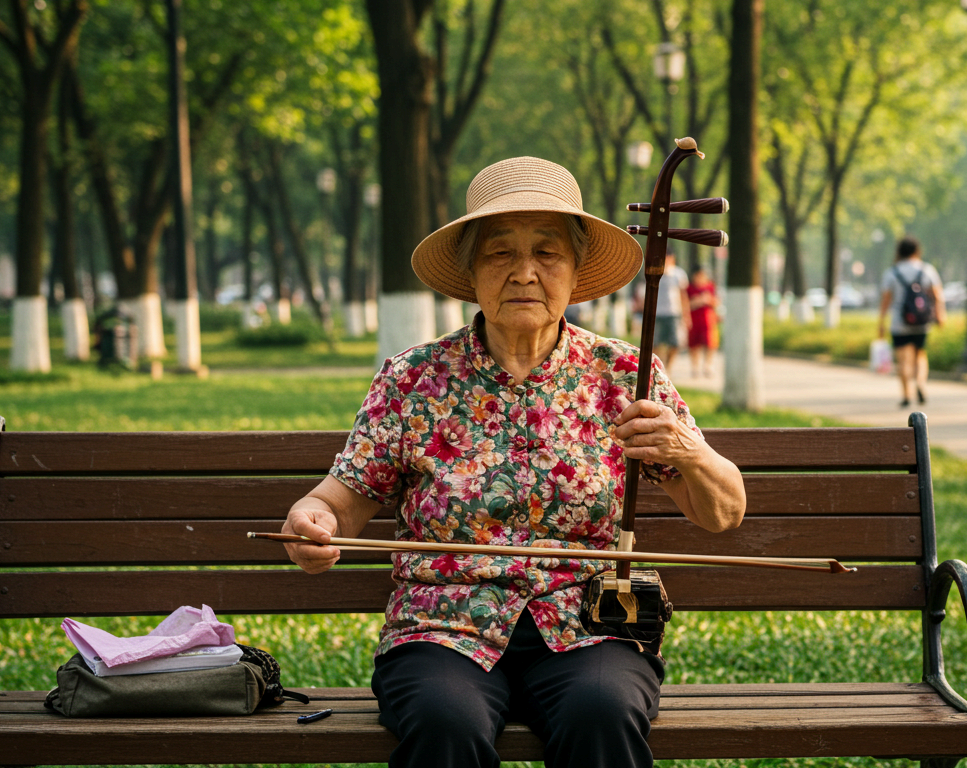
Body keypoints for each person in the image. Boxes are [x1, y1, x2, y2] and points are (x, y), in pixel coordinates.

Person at [279, 156, 747, 768]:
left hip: (590, 625)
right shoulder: (413, 379)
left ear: (575, 274)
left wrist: (686, 448)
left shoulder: (623, 375)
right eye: (500, 253)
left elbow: (723, 513)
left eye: (547, 253)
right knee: (446, 721)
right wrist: (311, 524)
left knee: (601, 712)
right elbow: (337, 500)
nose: (525, 272)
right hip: (443, 628)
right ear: (471, 271)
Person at [877, 237, 945, 408]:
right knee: (919, 355)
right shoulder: (927, 269)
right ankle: (920, 383)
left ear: (899, 252)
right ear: (917, 251)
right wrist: (939, 315)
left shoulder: (892, 272)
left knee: (902, 360)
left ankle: (906, 394)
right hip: (921, 321)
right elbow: (937, 295)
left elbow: (886, 300)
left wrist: (881, 322)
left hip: (899, 322)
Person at [652, 252, 689, 373]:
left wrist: (686, 314)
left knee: (675, 342)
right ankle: (656, 367)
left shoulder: (678, 274)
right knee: (655, 342)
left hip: (674, 312)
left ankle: (668, 367)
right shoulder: (655, 271)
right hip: (657, 312)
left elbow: (683, 295)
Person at [685, 264, 720, 377]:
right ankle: (695, 367)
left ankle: (708, 366)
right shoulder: (689, 288)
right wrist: (697, 302)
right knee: (694, 345)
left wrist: (708, 300)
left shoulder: (710, 287)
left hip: (708, 320)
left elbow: (716, 302)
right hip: (694, 320)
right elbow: (685, 304)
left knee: (710, 344)